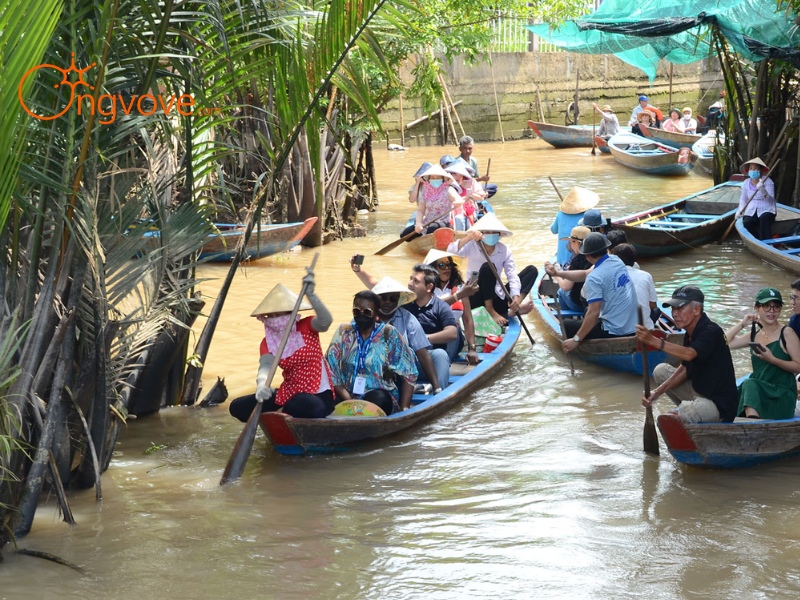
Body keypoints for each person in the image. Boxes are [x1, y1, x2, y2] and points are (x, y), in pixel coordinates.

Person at [229, 274, 336, 423]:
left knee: (303, 402)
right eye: (271, 315)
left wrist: (311, 295)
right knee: (237, 406)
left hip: (318, 395)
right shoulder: (268, 342)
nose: (275, 319)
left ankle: (280, 415)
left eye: (279, 314)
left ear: (290, 313)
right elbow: (265, 367)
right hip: (288, 393)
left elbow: (326, 321)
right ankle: (281, 414)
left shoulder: (307, 325)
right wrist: (261, 385)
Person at [635, 286, 738, 423]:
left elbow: (690, 354)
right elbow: (685, 368)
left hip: (718, 405)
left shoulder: (712, 331)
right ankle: (689, 411)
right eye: (673, 309)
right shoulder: (689, 333)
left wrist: (653, 341)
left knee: (685, 410)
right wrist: (656, 393)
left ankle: (690, 412)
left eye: (680, 308)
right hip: (699, 392)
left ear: (696, 310)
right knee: (660, 371)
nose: (674, 314)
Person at [350, 258, 450, 391]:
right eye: (383, 298)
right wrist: (358, 270)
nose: (387, 302)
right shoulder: (365, 316)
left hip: (406, 368)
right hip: (370, 367)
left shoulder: (408, 318)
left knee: (440, 355)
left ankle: (438, 393)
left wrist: (436, 387)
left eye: (392, 299)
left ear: (398, 301)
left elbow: (422, 353)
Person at [326, 291, 417, 413]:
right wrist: (349, 400)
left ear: (376, 314)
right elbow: (331, 368)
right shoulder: (344, 331)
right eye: (356, 311)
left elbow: (409, 371)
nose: (361, 315)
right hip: (345, 394)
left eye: (367, 312)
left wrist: (404, 408)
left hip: (377, 394)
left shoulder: (389, 333)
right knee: (325, 402)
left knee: (379, 400)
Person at [447, 213, 538, 326]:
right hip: (475, 295)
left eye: (493, 232)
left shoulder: (504, 250)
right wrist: (470, 237)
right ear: (481, 233)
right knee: (488, 267)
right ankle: (490, 310)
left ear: (499, 234)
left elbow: (512, 275)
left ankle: (515, 307)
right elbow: (450, 252)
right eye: (486, 232)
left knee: (531, 271)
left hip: (496, 295)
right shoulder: (472, 245)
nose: (490, 235)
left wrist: (515, 297)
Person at [724, 288, 800, 419]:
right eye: (766, 306)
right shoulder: (754, 334)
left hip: (781, 394)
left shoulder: (787, 333)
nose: (771, 311)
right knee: (730, 394)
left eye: (776, 307)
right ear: (756, 308)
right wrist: (742, 324)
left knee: (749, 383)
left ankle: (752, 426)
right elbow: (724, 343)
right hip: (759, 391)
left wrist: (773, 360)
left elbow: (798, 366)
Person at [559, 233, 638, 349]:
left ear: (587, 256)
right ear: (606, 250)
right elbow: (584, 274)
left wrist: (576, 339)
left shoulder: (594, 278)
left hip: (615, 331)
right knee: (587, 310)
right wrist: (558, 273)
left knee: (565, 325)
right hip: (632, 326)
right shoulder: (616, 260)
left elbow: (594, 314)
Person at [423, 249, 480, 365]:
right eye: (441, 265)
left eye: (449, 265)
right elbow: (432, 305)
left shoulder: (460, 288)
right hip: (429, 333)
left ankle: (444, 364)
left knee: (453, 330)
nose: (447, 268)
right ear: (432, 269)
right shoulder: (425, 289)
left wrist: (472, 348)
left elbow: (467, 319)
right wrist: (458, 296)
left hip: (453, 335)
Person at [400, 164, 461, 238]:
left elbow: (457, 199)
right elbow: (420, 209)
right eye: (433, 178)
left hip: (443, 222)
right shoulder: (426, 191)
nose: (435, 180)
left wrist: (457, 202)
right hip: (427, 221)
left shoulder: (448, 189)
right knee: (404, 234)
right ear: (429, 179)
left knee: (431, 229)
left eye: (438, 178)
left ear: (442, 179)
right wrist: (418, 223)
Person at [550, 185, 600, 266]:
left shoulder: (560, 214)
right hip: (576, 259)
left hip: (561, 258)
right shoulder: (585, 216)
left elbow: (553, 230)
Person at [546, 225, 591, 314]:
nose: (570, 244)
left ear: (577, 243)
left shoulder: (577, 261)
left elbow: (566, 287)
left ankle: (567, 316)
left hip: (580, 304)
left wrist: (556, 275)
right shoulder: (596, 257)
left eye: (571, 242)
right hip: (594, 302)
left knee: (561, 291)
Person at [611, 243, 658, 328]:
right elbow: (653, 305)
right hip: (643, 328)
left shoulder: (607, 276)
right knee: (657, 311)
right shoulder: (646, 275)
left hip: (616, 329)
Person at [736, 157, 775, 240]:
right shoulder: (746, 183)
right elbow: (743, 199)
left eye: (755, 168)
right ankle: (757, 240)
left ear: (761, 170)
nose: (753, 170)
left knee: (764, 218)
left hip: (767, 209)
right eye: (751, 168)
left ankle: (767, 242)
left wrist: (763, 190)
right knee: (747, 223)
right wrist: (740, 210)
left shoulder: (768, 182)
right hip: (751, 210)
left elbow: (771, 201)